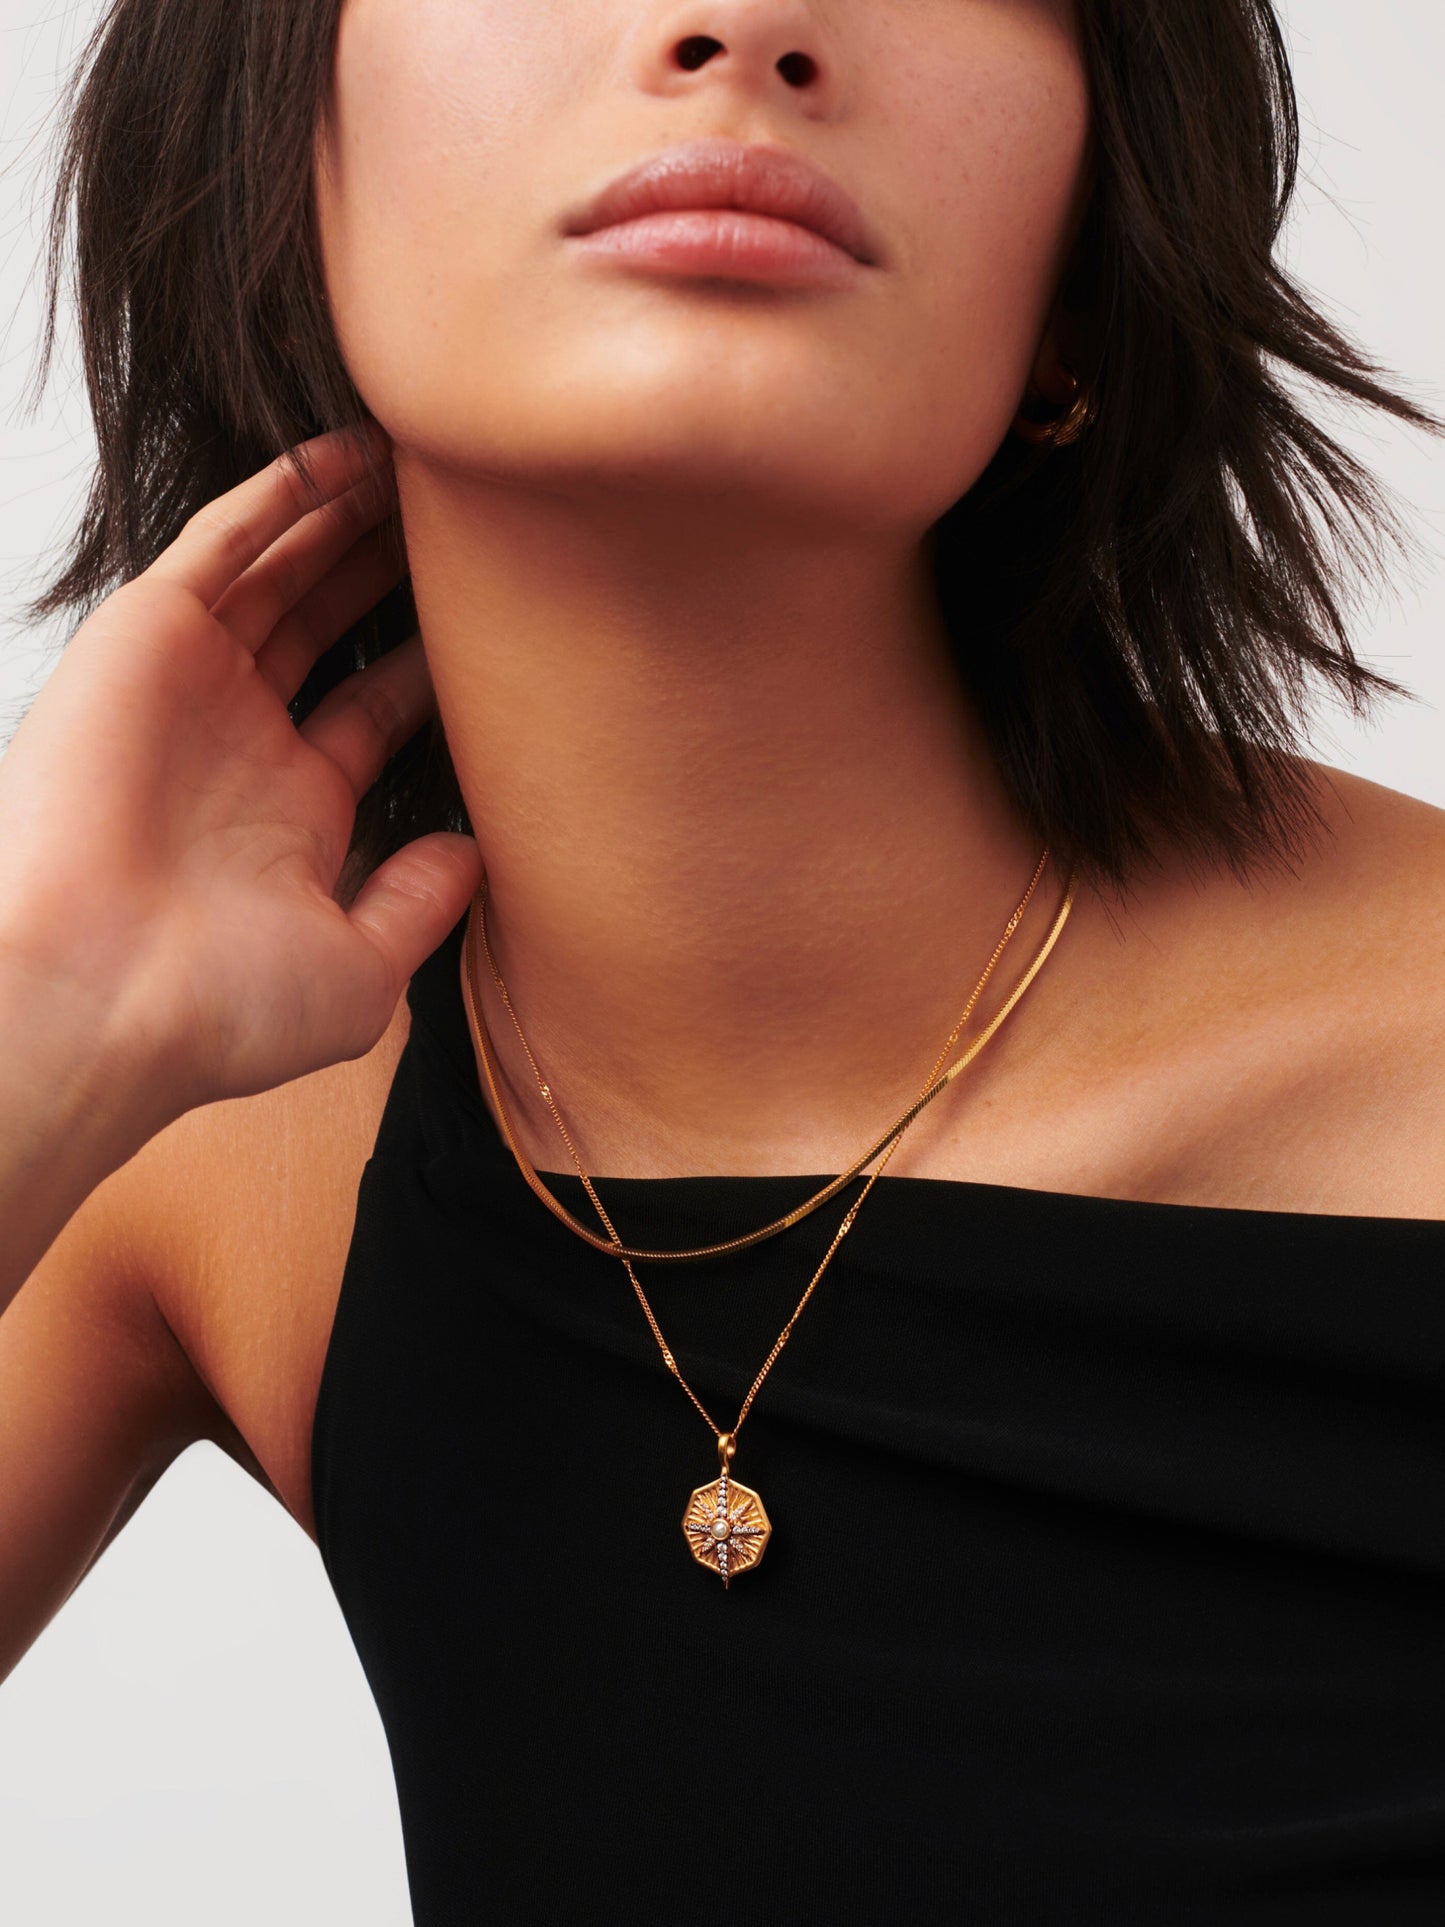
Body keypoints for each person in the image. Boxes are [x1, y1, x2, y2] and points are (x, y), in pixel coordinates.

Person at [1, 0, 1442, 1920]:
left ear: (1085, 265)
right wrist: (38, 1025)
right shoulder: (198, 1121)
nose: (738, 23)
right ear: (273, 151)